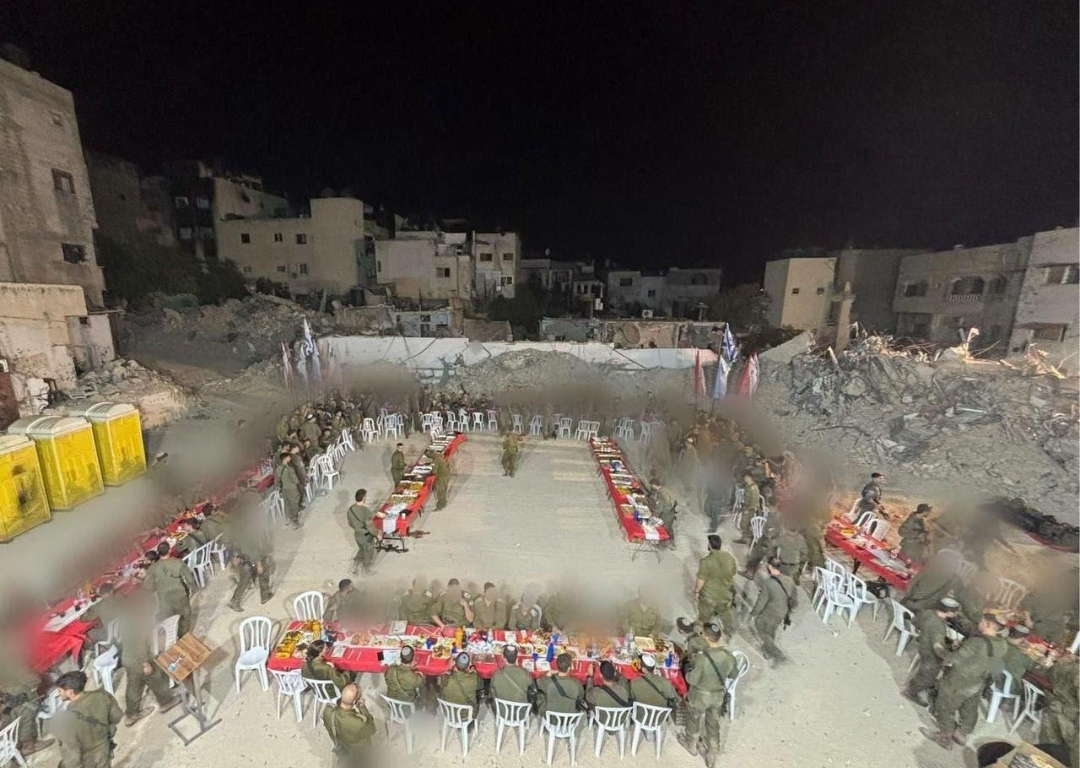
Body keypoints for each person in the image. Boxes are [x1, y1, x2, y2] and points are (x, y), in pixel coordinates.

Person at [922, 614, 1007, 750]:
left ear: (987, 625)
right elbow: (994, 664)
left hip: (960, 681)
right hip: (978, 682)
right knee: (969, 708)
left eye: (982, 621)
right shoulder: (1003, 644)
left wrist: (940, 649)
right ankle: (962, 734)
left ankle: (944, 737)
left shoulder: (977, 642)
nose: (979, 623)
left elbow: (952, 660)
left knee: (945, 706)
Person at [117, 591, 181, 726]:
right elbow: (140, 644)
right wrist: (145, 663)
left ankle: (131, 714)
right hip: (139, 659)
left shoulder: (128, 618)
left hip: (128, 658)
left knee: (134, 686)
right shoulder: (139, 620)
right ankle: (166, 701)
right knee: (155, 677)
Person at [678, 621, 735, 767]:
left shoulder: (703, 658)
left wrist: (690, 671)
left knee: (694, 717)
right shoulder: (728, 656)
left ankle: (692, 743)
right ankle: (712, 753)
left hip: (701, 695)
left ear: (706, 637)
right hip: (718, 696)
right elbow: (734, 674)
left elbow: (692, 679)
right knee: (713, 722)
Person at [53, 670, 122, 768]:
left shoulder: (66, 720)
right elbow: (117, 717)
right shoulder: (102, 695)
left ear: (70, 692)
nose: (58, 694)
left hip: (87, 759)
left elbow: (71, 754)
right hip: (104, 749)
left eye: (60, 690)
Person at [903, 597, 960, 706]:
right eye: (955, 611)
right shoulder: (939, 626)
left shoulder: (927, 613)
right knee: (928, 676)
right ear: (949, 612)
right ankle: (911, 692)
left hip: (923, 645)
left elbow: (915, 621)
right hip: (931, 654)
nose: (957, 613)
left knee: (923, 671)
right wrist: (947, 659)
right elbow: (937, 647)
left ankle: (914, 685)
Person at [141, 541, 197, 638]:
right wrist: (193, 589)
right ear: (169, 550)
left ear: (158, 553)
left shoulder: (153, 568)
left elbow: (148, 588)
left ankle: (172, 635)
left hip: (164, 598)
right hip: (180, 594)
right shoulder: (178, 562)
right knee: (185, 615)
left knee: (169, 618)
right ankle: (183, 635)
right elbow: (190, 579)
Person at [750, 557, 798, 664]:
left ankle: (777, 654)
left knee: (759, 625)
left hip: (771, 611)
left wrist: (753, 613)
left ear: (770, 567)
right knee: (771, 629)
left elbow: (761, 602)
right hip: (783, 612)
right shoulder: (789, 580)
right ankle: (767, 649)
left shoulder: (768, 583)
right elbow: (794, 598)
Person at [228, 509, 274, 611]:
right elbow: (253, 550)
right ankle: (265, 595)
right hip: (250, 558)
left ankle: (234, 600)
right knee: (263, 573)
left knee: (244, 579)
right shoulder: (250, 531)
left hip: (241, 557)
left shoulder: (237, 528)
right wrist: (258, 564)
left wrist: (234, 556)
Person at [1038, 654, 1079, 768]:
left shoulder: (1064, 663)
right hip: (1069, 720)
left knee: (1046, 750)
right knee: (1066, 758)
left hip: (1053, 708)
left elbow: (1048, 675)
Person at [323, 683, 376, 767]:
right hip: (357, 753)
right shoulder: (360, 722)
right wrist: (362, 707)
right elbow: (372, 730)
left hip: (341, 744)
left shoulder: (327, 711)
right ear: (355, 701)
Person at [693, 535, 738, 632]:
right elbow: (733, 572)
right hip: (725, 595)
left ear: (709, 545)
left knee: (704, 616)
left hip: (709, 596)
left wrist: (696, 592)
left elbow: (701, 580)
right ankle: (729, 631)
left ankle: (703, 633)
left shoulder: (706, 561)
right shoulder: (729, 557)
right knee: (725, 613)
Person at [902, 549, 962, 614]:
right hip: (922, 607)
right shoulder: (953, 580)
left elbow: (912, 583)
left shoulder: (931, 565)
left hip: (911, 600)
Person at [346, 489, 380, 577]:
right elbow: (370, 526)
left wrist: (358, 528)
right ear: (364, 498)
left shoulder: (351, 509)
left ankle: (355, 564)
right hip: (366, 536)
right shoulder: (365, 511)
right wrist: (377, 534)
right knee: (368, 552)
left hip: (357, 535)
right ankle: (366, 570)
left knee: (361, 548)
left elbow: (350, 523)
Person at [440, 653, 480, 719]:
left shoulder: (445, 677)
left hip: (449, 713)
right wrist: (472, 666)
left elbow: (446, 674)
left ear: (455, 664)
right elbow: (480, 685)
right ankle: (469, 724)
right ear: (468, 666)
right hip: (466, 715)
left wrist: (450, 668)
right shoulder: (473, 677)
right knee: (479, 696)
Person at [84, 583, 122, 647]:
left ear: (100, 593)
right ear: (111, 591)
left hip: (111, 636)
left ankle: (93, 649)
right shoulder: (120, 597)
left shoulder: (99, 606)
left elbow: (85, 619)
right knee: (103, 625)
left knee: (90, 633)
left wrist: (85, 613)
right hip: (123, 629)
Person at [276, 451, 304, 529]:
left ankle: (287, 519)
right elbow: (295, 479)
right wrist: (300, 485)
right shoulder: (289, 468)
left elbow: (277, 480)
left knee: (287, 504)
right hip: (292, 489)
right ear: (285, 459)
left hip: (284, 489)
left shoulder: (278, 468)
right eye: (289, 457)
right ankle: (295, 523)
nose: (290, 458)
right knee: (294, 505)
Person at [648, 477, 678, 544]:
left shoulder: (661, 494)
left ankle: (662, 544)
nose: (651, 487)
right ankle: (672, 542)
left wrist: (653, 516)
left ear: (654, 485)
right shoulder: (665, 489)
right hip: (672, 513)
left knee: (664, 530)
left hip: (666, 515)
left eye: (651, 485)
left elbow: (659, 508)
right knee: (670, 528)